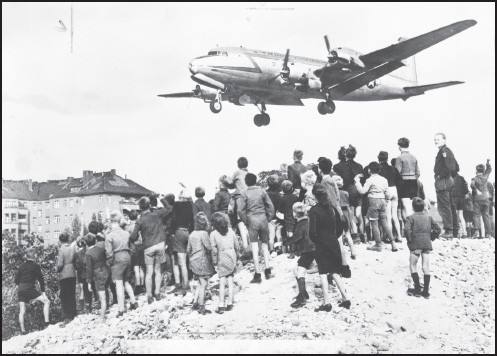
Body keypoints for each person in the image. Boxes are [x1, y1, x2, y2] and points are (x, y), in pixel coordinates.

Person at [309, 184, 350, 312]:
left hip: (321, 242)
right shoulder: (332, 208)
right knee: (335, 271)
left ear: (315, 196)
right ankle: (345, 298)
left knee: (322, 272)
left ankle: (326, 302)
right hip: (333, 241)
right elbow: (340, 227)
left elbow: (312, 232)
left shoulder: (313, 211)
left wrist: (316, 242)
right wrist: (333, 236)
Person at [131, 196, 172, 304]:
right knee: (158, 270)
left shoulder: (140, 220)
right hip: (160, 244)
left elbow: (133, 236)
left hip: (148, 246)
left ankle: (149, 295)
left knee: (149, 272)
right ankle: (157, 293)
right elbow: (169, 208)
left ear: (140, 207)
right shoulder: (157, 214)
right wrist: (161, 198)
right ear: (149, 205)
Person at [238, 173, 275, 283]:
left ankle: (257, 274)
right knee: (265, 245)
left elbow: (240, 210)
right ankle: (267, 270)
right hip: (263, 218)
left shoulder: (244, 193)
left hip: (252, 219)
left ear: (246, 182)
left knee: (254, 246)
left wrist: (246, 221)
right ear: (256, 181)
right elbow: (270, 206)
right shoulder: (262, 191)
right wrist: (268, 217)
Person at [354, 162, 398, 252]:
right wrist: (386, 201)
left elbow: (362, 191)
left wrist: (357, 181)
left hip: (373, 201)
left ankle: (378, 244)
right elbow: (387, 193)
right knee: (384, 223)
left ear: (369, 170)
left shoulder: (369, 180)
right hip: (382, 201)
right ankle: (393, 243)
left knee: (374, 224)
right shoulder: (384, 179)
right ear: (379, 170)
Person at [405, 198, 442, 299]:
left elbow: (407, 231)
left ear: (413, 207)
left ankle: (417, 289)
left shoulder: (410, 218)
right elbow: (438, 229)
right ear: (423, 207)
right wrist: (431, 237)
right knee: (426, 267)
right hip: (426, 243)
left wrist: (410, 241)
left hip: (416, 244)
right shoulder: (429, 218)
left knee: (413, 265)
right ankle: (426, 292)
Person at [105, 211, 139, 317]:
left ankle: (121, 309)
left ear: (111, 222)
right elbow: (133, 248)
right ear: (119, 221)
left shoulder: (109, 236)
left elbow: (109, 253)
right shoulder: (126, 233)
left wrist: (109, 264)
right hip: (127, 256)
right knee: (126, 281)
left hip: (117, 258)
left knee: (118, 284)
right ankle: (133, 302)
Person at [210, 212, 240, 314]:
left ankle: (221, 304)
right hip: (232, 257)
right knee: (230, 281)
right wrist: (237, 256)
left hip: (222, 259)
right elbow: (237, 245)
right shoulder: (231, 231)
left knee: (222, 283)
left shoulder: (213, 234)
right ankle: (230, 303)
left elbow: (214, 250)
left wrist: (214, 262)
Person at [16, 248, 50, 335]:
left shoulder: (21, 266)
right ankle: (47, 324)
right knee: (47, 301)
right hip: (29, 288)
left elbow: (16, 280)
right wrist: (44, 294)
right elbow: (41, 281)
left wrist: (21, 287)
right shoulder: (35, 266)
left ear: (26, 256)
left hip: (20, 288)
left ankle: (23, 331)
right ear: (34, 256)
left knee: (22, 310)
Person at [286, 202, 315, 308]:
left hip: (308, 249)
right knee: (297, 270)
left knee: (299, 271)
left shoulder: (300, 224)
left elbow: (297, 237)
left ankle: (302, 296)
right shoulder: (309, 221)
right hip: (313, 248)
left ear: (294, 214)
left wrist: (284, 243)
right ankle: (303, 293)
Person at [187, 212, 215, 315]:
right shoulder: (204, 234)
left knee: (199, 282)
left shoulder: (192, 234)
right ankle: (202, 306)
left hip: (193, 261)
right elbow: (208, 247)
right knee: (204, 283)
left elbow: (188, 249)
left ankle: (195, 302)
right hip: (202, 261)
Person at [434, 133, 460, 239]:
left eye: (438, 139)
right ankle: (454, 230)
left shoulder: (444, 151)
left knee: (444, 206)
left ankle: (449, 231)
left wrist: (440, 176)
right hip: (448, 180)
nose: (436, 141)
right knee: (450, 206)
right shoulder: (446, 151)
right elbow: (456, 167)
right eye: (435, 140)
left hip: (444, 181)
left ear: (444, 140)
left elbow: (451, 167)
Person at [167, 190, 194, 295]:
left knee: (180, 262)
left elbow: (173, 220)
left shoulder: (177, 205)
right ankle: (186, 283)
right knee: (187, 260)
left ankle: (184, 285)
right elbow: (192, 221)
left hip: (178, 231)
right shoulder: (190, 206)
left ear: (181, 198)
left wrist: (172, 233)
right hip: (187, 232)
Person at [336, 145, 365, 241]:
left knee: (351, 214)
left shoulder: (343, 166)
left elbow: (345, 180)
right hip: (358, 190)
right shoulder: (359, 166)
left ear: (345, 155)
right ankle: (363, 235)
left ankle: (355, 234)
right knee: (359, 214)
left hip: (349, 190)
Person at [224, 157, 250, 250]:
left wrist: (225, 181)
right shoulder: (249, 174)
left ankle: (245, 245)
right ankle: (251, 244)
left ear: (238, 164)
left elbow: (231, 185)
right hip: (250, 198)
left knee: (240, 221)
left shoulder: (237, 173)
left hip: (240, 198)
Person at [85, 233, 110, 322]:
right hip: (106, 271)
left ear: (86, 243)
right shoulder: (101, 249)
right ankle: (106, 308)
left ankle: (102, 317)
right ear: (95, 241)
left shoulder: (88, 253)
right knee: (105, 291)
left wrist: (88, 283)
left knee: (101, 297)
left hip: (98, 274)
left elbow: (89, 269)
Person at [378, 151, 403, 242]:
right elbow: (400, 181)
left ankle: (390, 236)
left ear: (379, 158)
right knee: (395, 216)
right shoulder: (393, 168)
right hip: (394, 189)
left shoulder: (379, 169)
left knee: (388, 216)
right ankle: (399, 236)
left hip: (386, 190)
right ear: (387, 158)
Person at [395, 138, 420, 220]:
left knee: (406, 207)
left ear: (399, 147)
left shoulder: (399, 158)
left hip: (404, 183)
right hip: (413, 183)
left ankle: (410, 228)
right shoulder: (414, 157)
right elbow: (418, 173)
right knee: (412, 207)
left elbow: (397, 173)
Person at [57, 231, 77, 326]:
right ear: (68, 239)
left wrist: (57, 269)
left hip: (64, 274)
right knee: (71, 294)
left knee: (64, 296)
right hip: (72, 272)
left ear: (60, 241)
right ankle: (73, 314)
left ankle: (67, 316)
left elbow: (60, 264)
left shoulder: (61, 250)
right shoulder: (72, 248)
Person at [471, 160, 493, 238]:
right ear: (483, 171)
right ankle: (488, 234)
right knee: (486, 216)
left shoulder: (474, 179)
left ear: (476, 171)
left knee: (476, 215)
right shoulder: (485, 177)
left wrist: (477, 190)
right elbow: (489, 170)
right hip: (486, 198)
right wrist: (487, 163)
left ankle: (476, 231)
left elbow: (472, 185)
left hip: (477, 199)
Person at [278, 180, 299, 256]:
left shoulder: (282, 198)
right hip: (296, 216)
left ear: (283, 189)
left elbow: (280, 209)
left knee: (289, 234)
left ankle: (292, 251)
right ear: (292, 188)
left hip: (287, 217)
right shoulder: (296, 197)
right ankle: (297, 250)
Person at [126, 210, 145, 295]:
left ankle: (138, 286)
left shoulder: (127, 227)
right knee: (142, 268)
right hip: (142, 247)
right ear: (137, 216)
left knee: (136, 268)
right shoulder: (141, 225)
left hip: (133, 248)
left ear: (129, 217)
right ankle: (143, 285)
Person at [75, 237, 92, 314]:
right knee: (89, 290)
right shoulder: (89, 251)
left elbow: (77, 265)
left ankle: (81, 309)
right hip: (90, 273)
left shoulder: (78, 253)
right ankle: (89, 307)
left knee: (81, 290)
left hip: (81, 274)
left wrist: (81, 271)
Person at [266, 175, 283, 254]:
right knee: (278, 234)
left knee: (271, 235)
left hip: (270, 218)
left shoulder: (266, 194)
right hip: (278, 217)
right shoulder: (279, 195)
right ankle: (279, 248)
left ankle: (272, 250)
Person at [452, 172, 470, 238]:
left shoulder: (452, 178)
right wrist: (462, 194)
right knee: (461, 216)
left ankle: (457, 233)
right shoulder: (462, 178)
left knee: (455, 215)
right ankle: (464, 233)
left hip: (455, 198)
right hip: (462, 198)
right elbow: (466, 189)